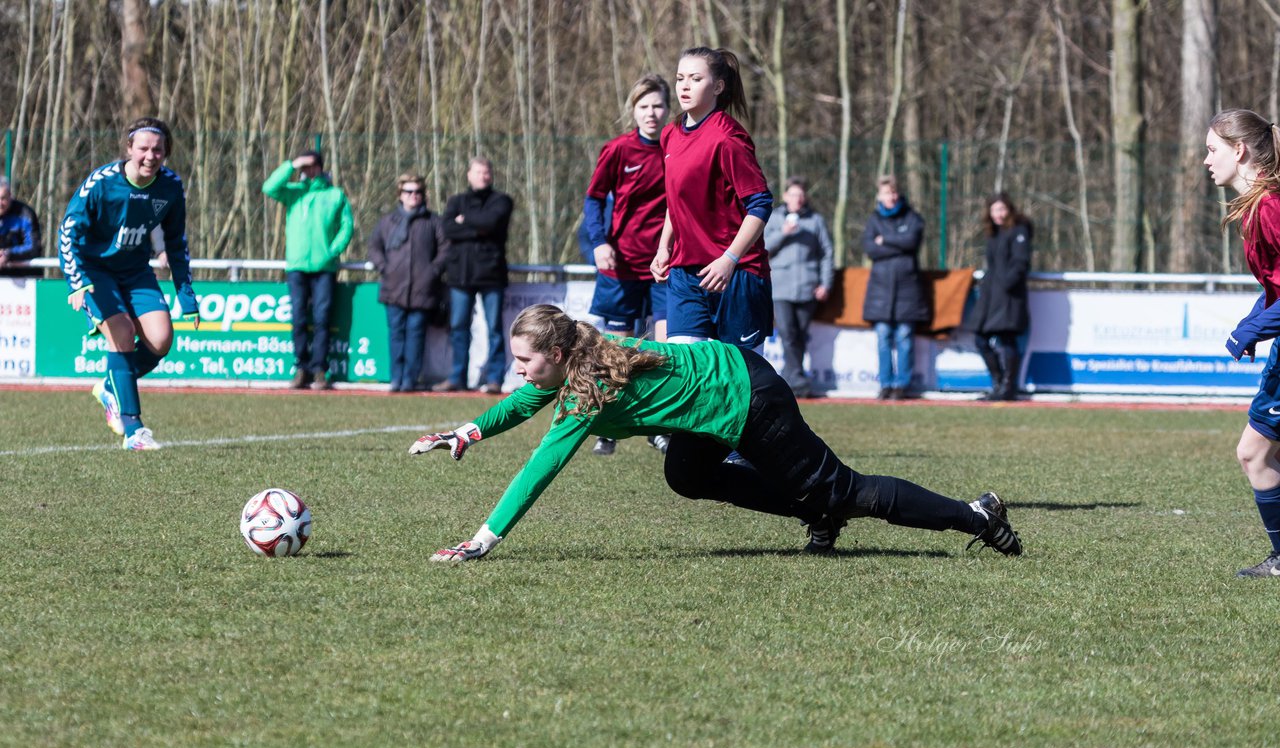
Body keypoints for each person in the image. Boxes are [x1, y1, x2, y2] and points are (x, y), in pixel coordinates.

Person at [409, 303, 1022, 562]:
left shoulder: (587, 391)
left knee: (846, 490)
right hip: (713, 400)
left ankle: (976, 515)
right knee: (686, 472)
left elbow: (537, 470)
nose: (520, 371)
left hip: (748, 397)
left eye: (527, 359)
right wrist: (467, 433)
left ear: (561, 352)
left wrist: (481, 540)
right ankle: (817, 513)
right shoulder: (574, 362)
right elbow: (521, 403)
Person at [58, 117, 198, 451]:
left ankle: (110, 386)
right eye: (143, 149)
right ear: (128, 149)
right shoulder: (101, 183)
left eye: (158, 150)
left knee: (161, 339)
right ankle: (133, 430)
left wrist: (186, 295)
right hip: (94, 272)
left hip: (136, 271)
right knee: (120, 332)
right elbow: (68, 230)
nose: (151, 156)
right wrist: (76, 280)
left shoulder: (170, 186)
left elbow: (177, 242)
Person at [649, 46, 773, 350]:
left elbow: (760, 205)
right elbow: (675, 198)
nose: (685, 86)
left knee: (741, 384)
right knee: (685, 371)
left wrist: (729, 259)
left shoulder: (728, 138)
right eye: (680, 78)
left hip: (735, 274)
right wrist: (664, 246)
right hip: (685, 275)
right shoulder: (670, 134)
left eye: (695, 78)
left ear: (718, 87)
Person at [1204, 108, 1280, 578]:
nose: (1206, 160)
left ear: (1240, 150)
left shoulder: (1270, 208)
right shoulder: (1259, 206)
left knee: (1255, 452)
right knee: (1259, 453)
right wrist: (1254, 320)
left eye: (1213, 150)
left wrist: (1252, 329)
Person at [582, 73, 671, 454]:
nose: (652, 113)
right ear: (633, 110)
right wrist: (599, 242)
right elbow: (593, 198)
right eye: (644, 106)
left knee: (667, 348)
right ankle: (610, 424)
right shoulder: (618, 149)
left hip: (666, 265)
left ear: (669, 109)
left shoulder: (677, 146)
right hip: (621, 265)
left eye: (658, 105)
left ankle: (660, 426)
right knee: (617, 349)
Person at [262, 149, 354, 391]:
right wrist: (291, 164)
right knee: (299, 319)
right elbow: (269, 187)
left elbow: (347, 225)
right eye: (303, 167)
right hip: (297, 266)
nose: (306, 170)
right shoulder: (293, 193)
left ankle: (320, 369)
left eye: (310, 165)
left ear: (320, 168)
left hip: (324, 267)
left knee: (323, 319)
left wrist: (332, 251)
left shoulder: (335, 195)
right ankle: (301, 367)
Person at [435, 157, 514, 395]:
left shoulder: (501, 201)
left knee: (494, 329)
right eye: (478, 172)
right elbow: (447, 228)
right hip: (460, 275)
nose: (483, 176)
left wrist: (465, 221)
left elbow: (491, 222)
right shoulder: (456, 200)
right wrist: (475, 227)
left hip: (491, 275)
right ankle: (457, 377)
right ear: (468, 175)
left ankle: (494, 379)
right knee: (459, 327)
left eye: (486, 172)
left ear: (491, 175)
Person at [368, 173, 448, 393]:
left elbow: (445, 249)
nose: (413, 196)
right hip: (394, 288)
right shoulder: (388, 222)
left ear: (424, 195)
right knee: (396, 334)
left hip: (423, 290)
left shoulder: (433, 222)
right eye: (408, 192)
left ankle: (410, 380)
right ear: (400, 195)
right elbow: (374, 248)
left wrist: (433, 271)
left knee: (415, 335)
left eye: (418, 192)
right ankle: (396, 378)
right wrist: (385, 267)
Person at [763, 177, 834, 398]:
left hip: (808, 288)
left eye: (801, 195)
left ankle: (791, 379)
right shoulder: (773, 219)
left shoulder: (815, 221)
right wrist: (783, 232)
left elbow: (827, 254)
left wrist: (825, 283)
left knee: (800, 335)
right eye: (793, 194)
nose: (798, 199)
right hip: (780, 288)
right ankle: (797, 381)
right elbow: (762, 248)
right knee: (787, 333)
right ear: (785, 196)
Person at [862, 175, 928, 400]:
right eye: (885, 193)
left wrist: (885, 240)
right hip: (880, 290)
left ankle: (902, 385)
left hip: (908, 289)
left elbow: (911, 242)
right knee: (883, 337)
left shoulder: (913, 218)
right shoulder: (873, 220)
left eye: (893, 192)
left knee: (905, 336)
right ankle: (886, 383)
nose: (889, 197)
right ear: (879, 196)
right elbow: (870, 249)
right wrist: (897, 241)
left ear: (897, 194)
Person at [966, 192, 1032, 401]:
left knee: (1007, 339)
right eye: (995, 209)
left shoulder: (1019, 231)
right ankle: (999, 382)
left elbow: (1020, 263)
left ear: (1009, 209)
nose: (999, 214)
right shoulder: (993, 234)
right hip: (990, 295)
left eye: (1002, 209)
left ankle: (1008, 388)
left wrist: (1006, 284)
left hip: (1009, 296)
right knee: (980, 339)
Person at [0, 178, 42, 278]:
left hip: (25, 278)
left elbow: (34, 247)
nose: (0, 203)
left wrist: (8, 254)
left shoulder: (25, 214)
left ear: (10, 196)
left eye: (3, 198)